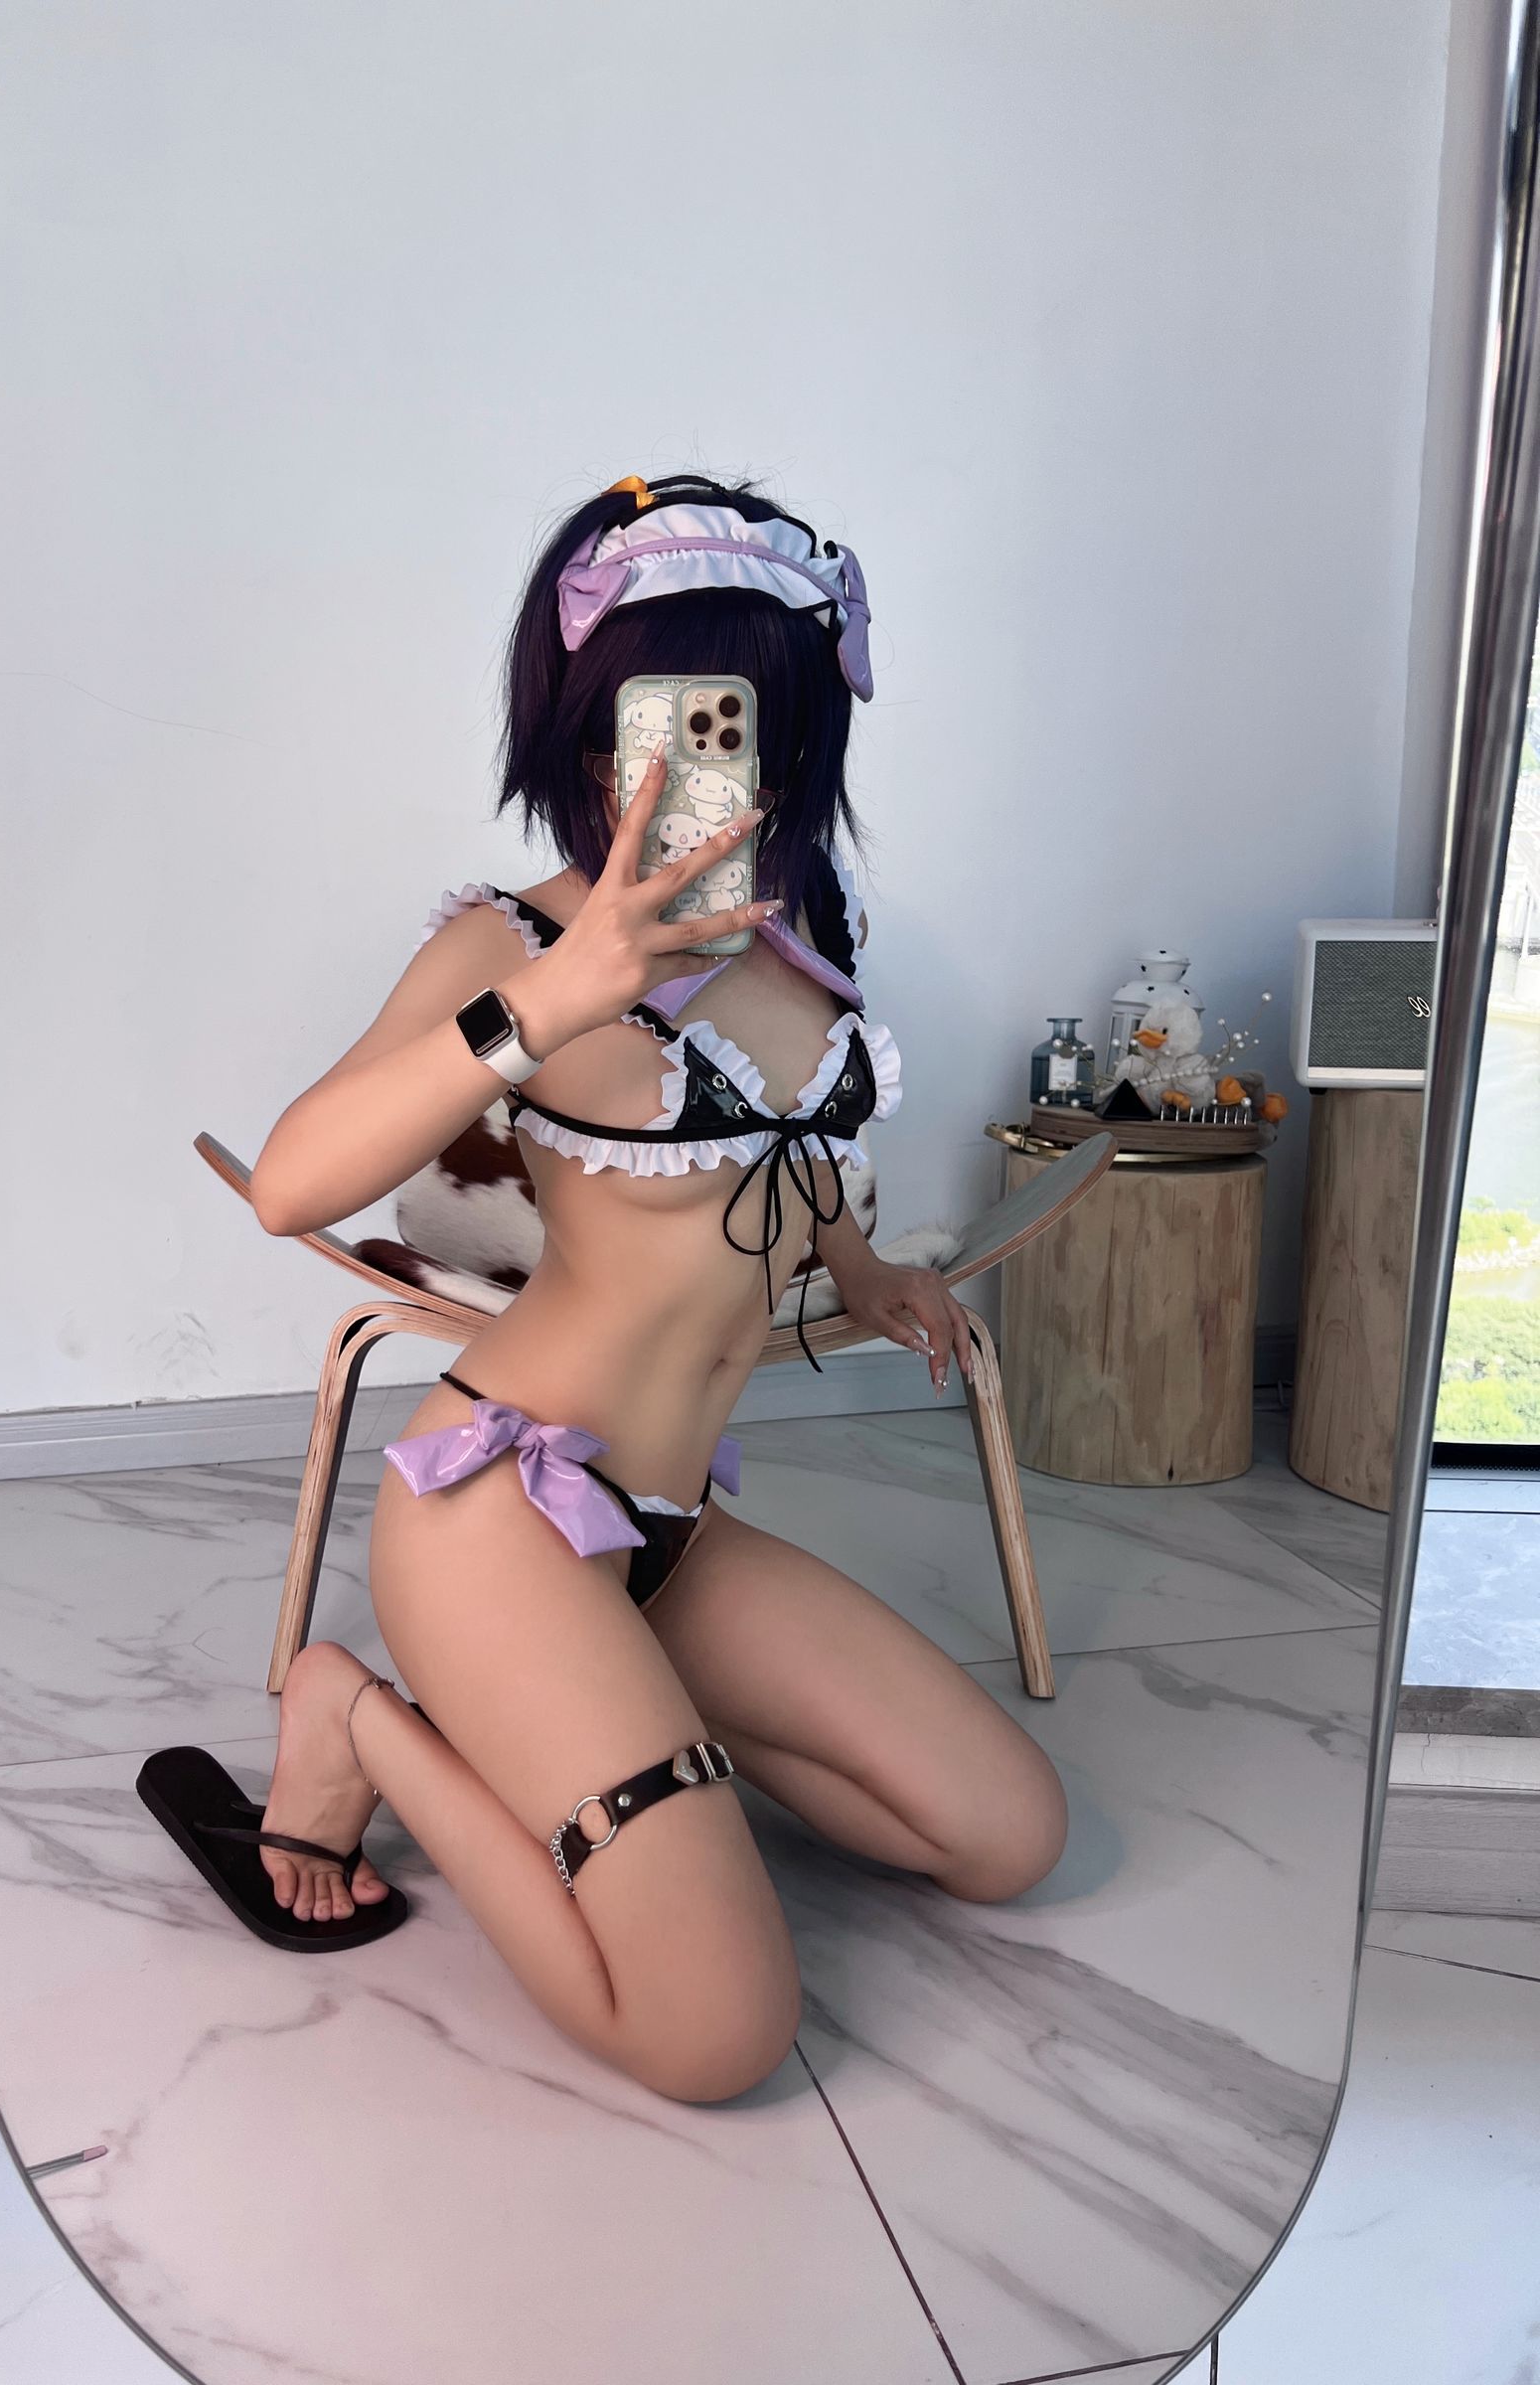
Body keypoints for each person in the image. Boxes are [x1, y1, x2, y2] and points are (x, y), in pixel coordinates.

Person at [243, 472, 1067, 2104]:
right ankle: (358, 1719)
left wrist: (860, 1266)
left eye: (739, 714)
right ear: (585, 724)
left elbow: (791, 1147)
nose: (696, 759)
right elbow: (290, 1184)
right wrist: (551, 1004)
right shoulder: (512, 943)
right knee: (716, 2035)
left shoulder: (807, 925)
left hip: (668, 1530)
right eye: (661, 713)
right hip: (503, 1515)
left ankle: (610, 1704)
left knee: (1004, 1836)